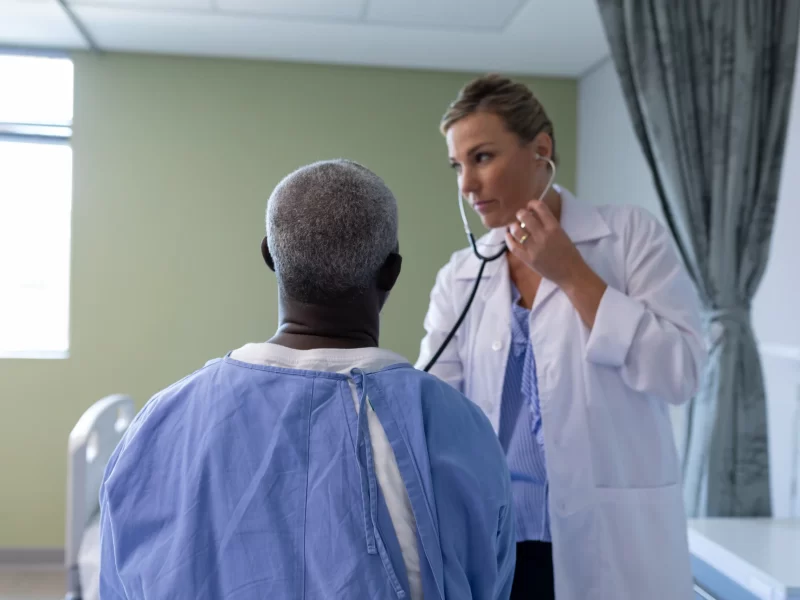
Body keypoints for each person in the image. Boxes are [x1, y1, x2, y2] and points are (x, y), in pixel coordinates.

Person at [98, 159, 516, 600]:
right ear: (391, 271)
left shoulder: (160, 425)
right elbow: (490, 578)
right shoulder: (460, 430)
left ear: (269, 255)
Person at [416, 74, 707, 600]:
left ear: (541, 150)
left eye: (482, 157)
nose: (466, 185)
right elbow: (434, 411)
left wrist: (572, 274)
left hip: (612, 545)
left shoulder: (628, 238)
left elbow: (681, 372)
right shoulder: (461, 276)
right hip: (499, 545)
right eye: (458, 166)